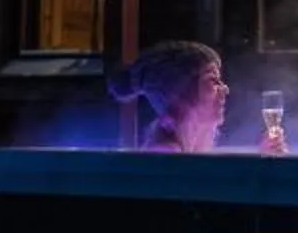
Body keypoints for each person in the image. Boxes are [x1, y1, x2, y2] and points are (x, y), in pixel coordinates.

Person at [107, 40, 285, 155]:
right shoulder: (163, 157)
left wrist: (265, 158)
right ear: (181, 95)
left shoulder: (190, 153)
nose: (225, 89)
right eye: (212, 80)